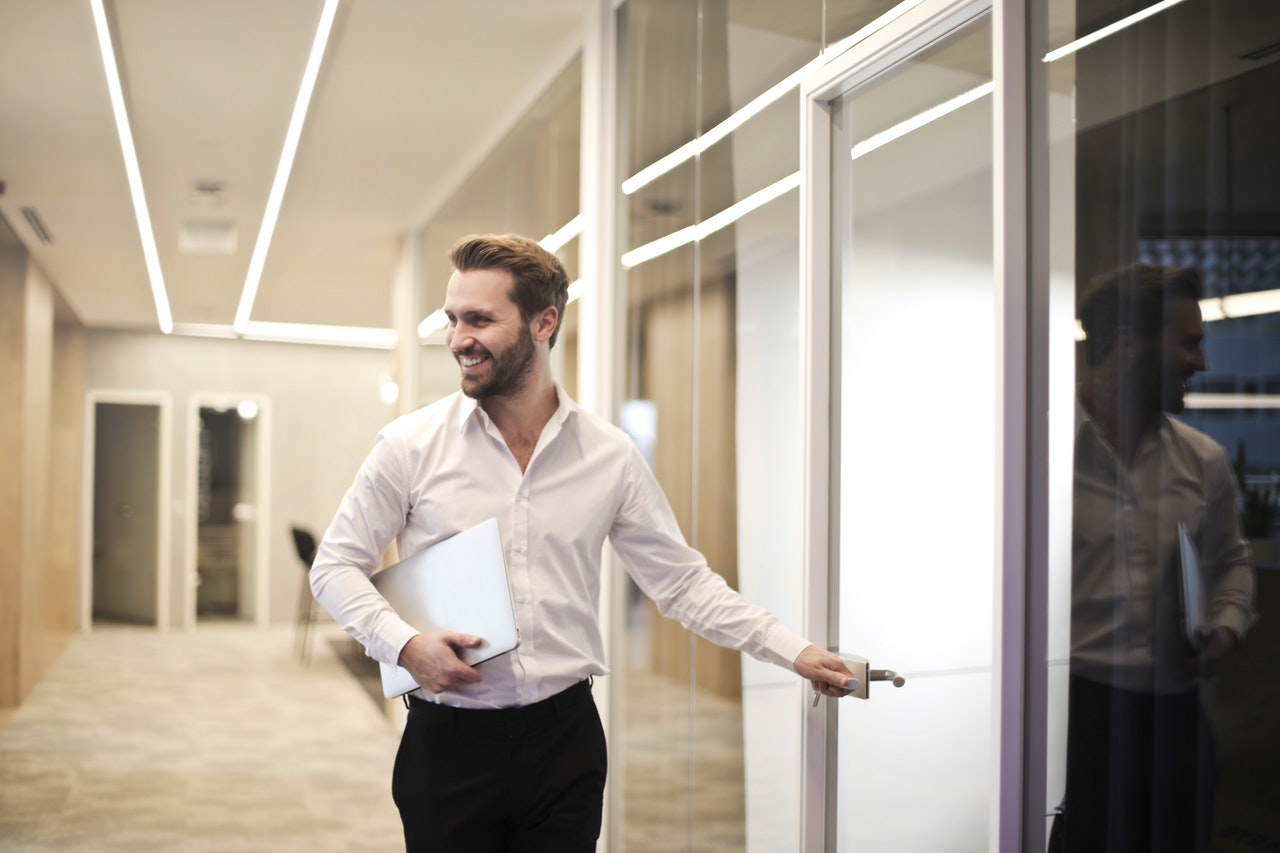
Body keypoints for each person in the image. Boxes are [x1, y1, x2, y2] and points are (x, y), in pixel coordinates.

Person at [310, 233, 855, 852]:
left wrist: (793, 650)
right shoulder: (409, 446)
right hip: (448, 746)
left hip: (563, 742)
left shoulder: (608, 454)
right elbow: (335, 566)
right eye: (453, 318)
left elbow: (680, 583)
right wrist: (404, 645)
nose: (458, 338)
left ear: (544, 323)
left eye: (480, 319)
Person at [1057, 262, 1257, 853]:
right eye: (1189, 342)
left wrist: (1226, 625)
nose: (1203, 362)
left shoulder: (1203, 459)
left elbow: (1231, 563)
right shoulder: (1037, 454)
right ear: (1126, 342)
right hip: (1075, 716)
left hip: (1175, 718)